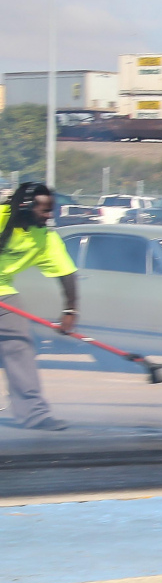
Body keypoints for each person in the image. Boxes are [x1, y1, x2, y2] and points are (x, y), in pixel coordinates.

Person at [0, 182, 79, 430]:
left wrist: (70, 310)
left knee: (20, 343)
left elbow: (66, 273)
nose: (49, 216)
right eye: (44, 210)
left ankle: (33, 414)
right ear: (25, 206)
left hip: (2, 290)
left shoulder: (45, 238)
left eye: (50, 210)